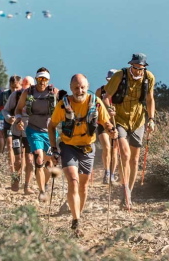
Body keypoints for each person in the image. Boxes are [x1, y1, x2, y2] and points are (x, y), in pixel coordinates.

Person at [48, 74, 116, 237]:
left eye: (83, 87)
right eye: (76, 88)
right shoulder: (63, 105)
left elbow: (105, 122)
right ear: (71, 88)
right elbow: (52, 126)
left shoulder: (95, 102)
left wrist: (111, 130)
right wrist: (53, 148)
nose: (80, 90)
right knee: (73, 180)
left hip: (87, 147)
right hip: (68, 146)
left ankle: (78, 212)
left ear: (87, 86)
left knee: (83, 186)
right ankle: (76, 219)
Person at [103, 53, 156, 209]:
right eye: (135, 67)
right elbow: (107, 96)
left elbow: (150, 99)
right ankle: (125, 190)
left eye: (140, 68)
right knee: (125, 154)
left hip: (138, 120)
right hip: (119, 119)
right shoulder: (120, 75)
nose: (138, 70)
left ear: (144, 67)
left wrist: (151, 119)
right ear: (131, 65)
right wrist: (109, 108)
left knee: (134, 159)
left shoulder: (149, 77)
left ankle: (128, 193)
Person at [15, 68, 58, 200]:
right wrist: (18, 119)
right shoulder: (28, 93)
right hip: (33, 129)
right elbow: (18, 109)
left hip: (50, 131)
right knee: (38, 158)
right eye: (40, 78)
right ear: (36, 79)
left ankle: (44, 184)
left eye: (45, 79)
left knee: (49, 162)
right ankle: (42, 191)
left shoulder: (54, 93)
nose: (42, 82)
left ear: (48, 80)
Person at [3, 75, 35, 193]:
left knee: (29, 159)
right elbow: (5, 110)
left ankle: (27, 185)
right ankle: (15, 180)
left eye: (30, 88)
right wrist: (10, 119)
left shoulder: (37, 97)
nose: (27, 90)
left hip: (30, 133)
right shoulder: (15, 95)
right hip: (16, 132)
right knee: (18, 160)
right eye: (25, 88)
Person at [96, 69, 120, 184]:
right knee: (107, 147)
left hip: (116, 123)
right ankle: (106, 172)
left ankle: (112, 174)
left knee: (115, 149)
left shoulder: (120, 92)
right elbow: (96, 107)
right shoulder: (99, 91)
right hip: (102, 123)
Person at [0, 75, 22, 157]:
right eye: (12, 87)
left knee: (22, 149)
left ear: (21, 86)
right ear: (9, 85)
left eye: (17, 87)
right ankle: (11, 168)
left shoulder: (24, 95)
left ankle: (20, 168)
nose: (14, 90)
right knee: (9, 145)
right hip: (8, 123)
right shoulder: (4, 95)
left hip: (21, 124)